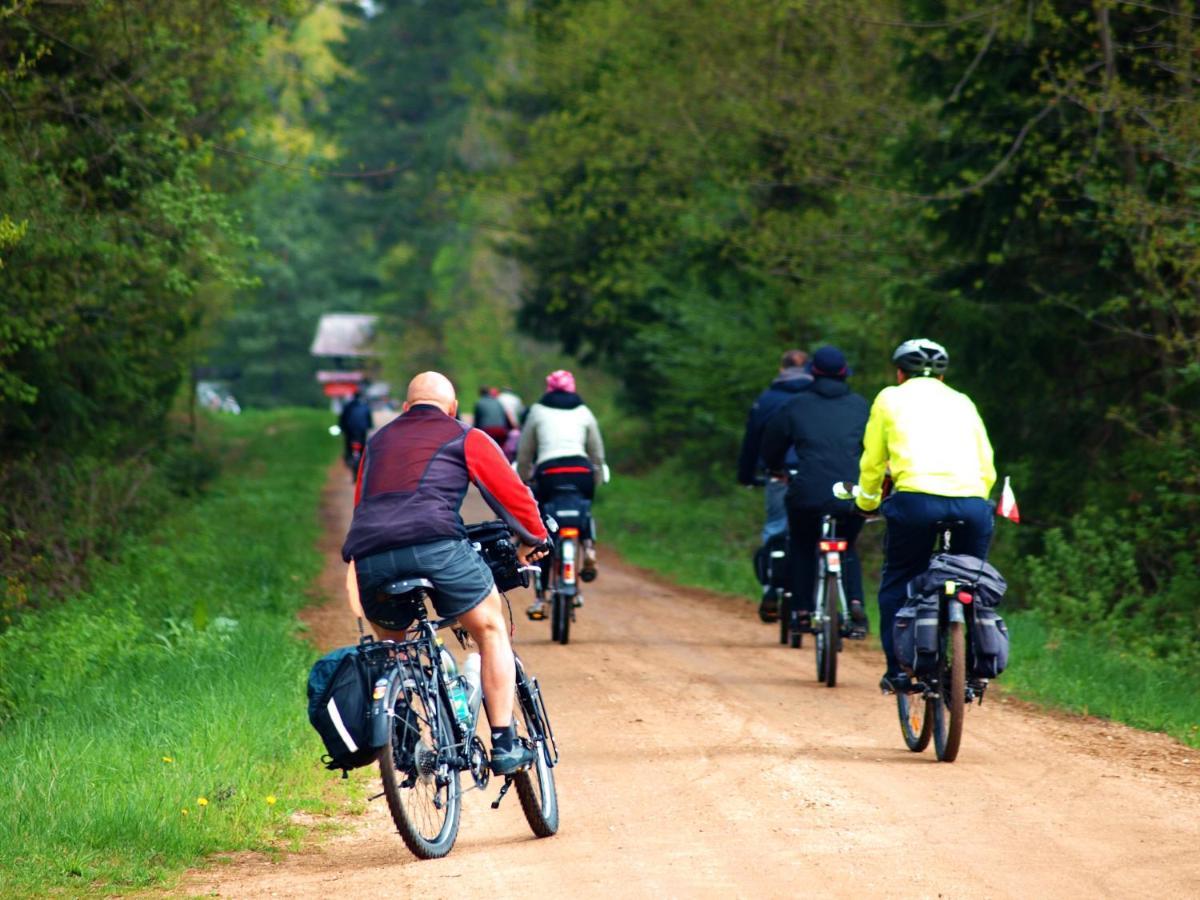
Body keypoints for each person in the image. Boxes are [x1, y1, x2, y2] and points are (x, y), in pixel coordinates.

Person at [342, 372, 550, 775]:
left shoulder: (377, 443)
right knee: (490, 630)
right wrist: (535, 539)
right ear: (452, 408)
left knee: (393, 647)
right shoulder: (465, 435)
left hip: (370, 556)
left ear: (405, 409)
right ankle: (505, 744)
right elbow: (513, 495)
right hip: (438, 547)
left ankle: (402, 739)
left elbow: (361, 503)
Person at [853, 339, 996, 694]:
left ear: (900, 373)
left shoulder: (890, 398)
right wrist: (978, 499)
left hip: (916, 502)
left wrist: (867, 502)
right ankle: (975, 670)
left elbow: (872, 460)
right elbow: (987, 464)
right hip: (972, 504)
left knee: (900, 577)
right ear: (943, 376)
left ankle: (898, 672)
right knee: (971, 580)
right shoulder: (963, 401)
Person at [761, 346, 869, 635]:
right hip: (850, 491)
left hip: (807, 491)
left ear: (813, 373)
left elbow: (772, 442)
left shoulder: (796, 405)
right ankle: (856, 604)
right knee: (848, 545)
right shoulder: (861, 406)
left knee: (802, 545)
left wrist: (775, 468)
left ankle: (803, 611)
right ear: (845, 373)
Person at [517, 369, 606, 616]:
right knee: (583, 507)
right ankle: (588, 548)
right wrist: (596, 474)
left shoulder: (537, 411)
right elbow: (596, 451)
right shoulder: (584, 411)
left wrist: (523, 476)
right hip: (580, 471)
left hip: (550, 473)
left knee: (544, 526)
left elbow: (525, 450)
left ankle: (541, 595)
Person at [736, 349, 812, 620]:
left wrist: (746, 474)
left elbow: (753, 441)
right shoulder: (816, 399)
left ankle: (770, 587)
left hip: (779, 474)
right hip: (814, 475)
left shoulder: (767, 400)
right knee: (811, 534)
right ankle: (813, 596)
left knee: (776, 527)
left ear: (782, 369)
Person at [338, 390, 373, 467]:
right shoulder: (365, 406)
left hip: (350, 431)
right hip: (361, 431)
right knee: (363, 444)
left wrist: (341, 427)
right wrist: (370, 426)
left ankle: (348, 458)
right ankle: (363, 459)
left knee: (348, 444)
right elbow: (369, 420)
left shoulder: (347, 406)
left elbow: (342, 419)